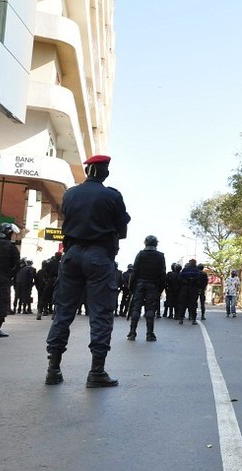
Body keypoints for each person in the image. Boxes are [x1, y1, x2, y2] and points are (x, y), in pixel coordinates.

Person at [45, 154, 130, 388]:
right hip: (99, 257)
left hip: (71, 256)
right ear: (105, 172)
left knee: (63, 312)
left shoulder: (70, 194)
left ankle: (53, 369)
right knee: (101, 314)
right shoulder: (112, 195)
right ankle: (96, 372)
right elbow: (122, 231)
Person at [127, 235, 166, 341]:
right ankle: (149, 334)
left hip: (139, 284)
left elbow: (134, 272)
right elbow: (163, 274)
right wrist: (160, 289)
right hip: (152, 285)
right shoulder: (160, 256)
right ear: (156, 244)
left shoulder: (141, 254)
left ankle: (132, 332)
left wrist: (131, 288)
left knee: (136, 308)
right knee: (150, 309)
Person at [177, 259, 200, 325]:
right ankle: (193, 319)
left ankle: (181, 319)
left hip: (185, 289)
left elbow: (180, 279)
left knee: (183, 304)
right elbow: (198, 280)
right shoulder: (196, 270)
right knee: (193, 304)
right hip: (193, 289)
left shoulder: (185, 270)